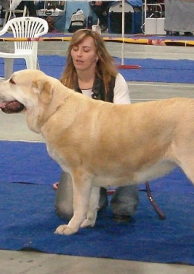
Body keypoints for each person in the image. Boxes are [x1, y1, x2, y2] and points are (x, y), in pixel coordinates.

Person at [54, 29, 140, 223]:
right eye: (75, 49)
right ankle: (95, 198)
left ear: (98, 55)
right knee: (66, 211)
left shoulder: (115, 81)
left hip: (113, 148)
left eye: (85, 50)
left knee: (132, 147)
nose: (79, 54)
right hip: (78, 156)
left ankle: (123, 203)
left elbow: (124, 121)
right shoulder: (63, 85)